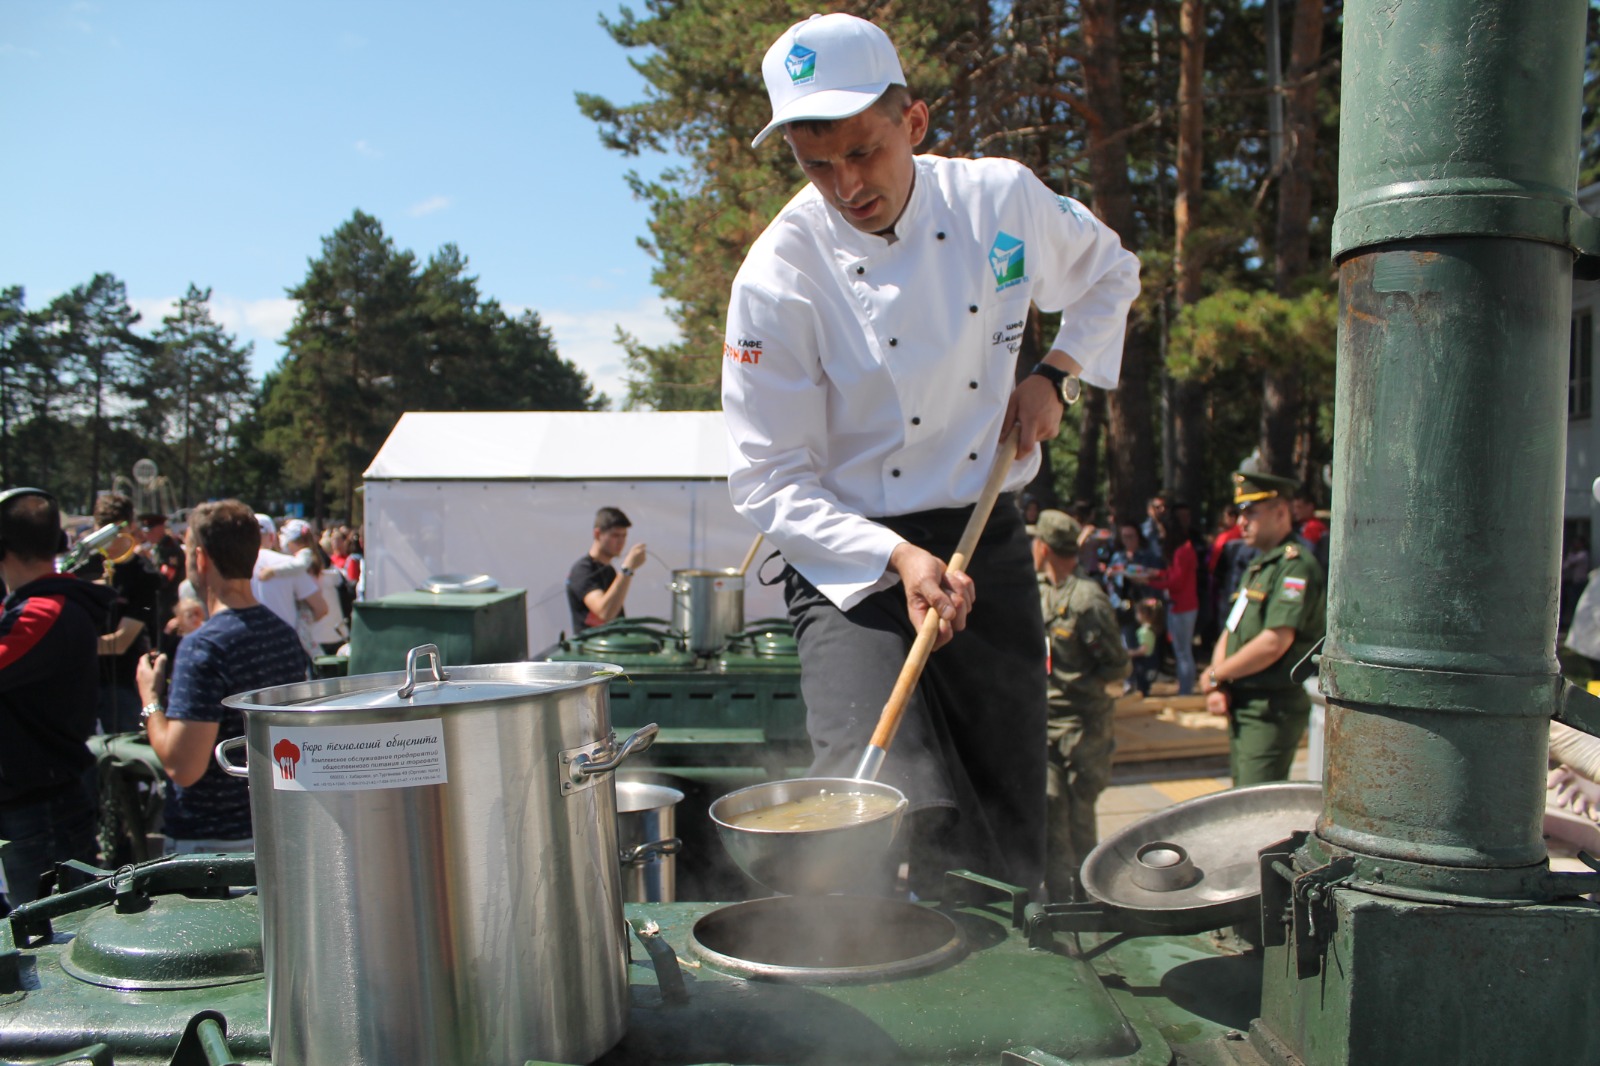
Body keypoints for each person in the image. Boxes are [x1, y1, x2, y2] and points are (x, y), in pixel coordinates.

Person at [721, 13, 1140, 893]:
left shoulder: (1002, 201)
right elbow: (769, 478)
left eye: (863, 153)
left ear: (913, 123)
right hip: (851, 557)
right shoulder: (777, 275)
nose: (844, 185)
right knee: (867, 805)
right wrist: (898, 556)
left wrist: (1056, 374)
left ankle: (1009, 992)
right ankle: (862, 990)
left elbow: (1111, 274)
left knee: (1006, 804)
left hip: (979, 526)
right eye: (815, 163)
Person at [136, 500, 309, 853]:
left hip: (210, 847)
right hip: (275, 830)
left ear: (200, 558)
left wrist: (150, 699)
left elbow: (184, 767)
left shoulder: (205, 646)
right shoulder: (284, 635)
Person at [0, 487, 117, 908]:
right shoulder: (34, 606)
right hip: (35, 802)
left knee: (48, 948)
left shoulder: (42, 612)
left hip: (39, 810)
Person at [1200, 472, 1328, 785]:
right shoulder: (1260, 566)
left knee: (1255, 811)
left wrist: (1218, 674)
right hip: (1245, 701)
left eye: (1251, 513)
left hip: (1271, 707)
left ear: (1281, 513)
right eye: (1240, 514)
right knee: (1242, 800)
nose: (1241, 523)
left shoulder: (1295, 566)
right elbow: (1232, 628)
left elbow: (1275, 641)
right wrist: (1218, 679)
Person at [1034, 510, 1130, 901]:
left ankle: (1091, 896)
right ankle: (1059, 898)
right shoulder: (1041, 589)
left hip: (1082, 726)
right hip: (1046, 721)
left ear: (1043, 546)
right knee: (1051, 810)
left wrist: (1089, 696)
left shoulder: (1087, 600)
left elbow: (1116, 666)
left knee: (1079, 816)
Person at [89, 493, 162, 735]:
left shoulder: (144, 575)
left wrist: (69, 646)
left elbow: (121, 642)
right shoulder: (86, 567)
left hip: (123, 686)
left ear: (130, 527)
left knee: (124, 759)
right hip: (84, 680)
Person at [1135, 514, 1199, 694]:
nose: (1161, 535)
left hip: (1181, 607)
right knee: (1183, 652)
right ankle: (1185, 689)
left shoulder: (1181, 551)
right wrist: (1157, 573)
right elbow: (1174, 574)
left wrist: (1148, 582)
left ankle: (1186, 692)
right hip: (1183, 606)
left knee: (1182, 653)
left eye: (1163, 531)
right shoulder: (1184, 549)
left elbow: (1176, 582)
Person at [250, 514, 326, 657]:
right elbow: (321, 608)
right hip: (285, 648)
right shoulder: (288, 563)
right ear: (272, 537)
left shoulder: (230, 567)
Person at [566, 507, 647, 634]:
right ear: (597, 534)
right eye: (615, 535)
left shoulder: (609, 571)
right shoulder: (582, 570)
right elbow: (604, 612)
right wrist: (627, 570)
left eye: (624, 536)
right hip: (592, 650)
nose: (621, 542)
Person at [1129, 599, 1162, 698]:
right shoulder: (1152, 628)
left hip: (1144, 663)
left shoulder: (1144, 631)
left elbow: (1144, 649)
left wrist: (1130, 653)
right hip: (1152, 661)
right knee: (1145, 686)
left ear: (1143, 614)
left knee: (1141, 686)